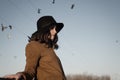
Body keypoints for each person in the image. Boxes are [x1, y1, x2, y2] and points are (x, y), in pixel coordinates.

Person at [4, 16, 66, 80]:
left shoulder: (49, 49)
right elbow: (30, 71)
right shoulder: (34, 45)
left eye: (55, 29)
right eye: (52, 28)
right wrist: (21, 75)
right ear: (44, 31)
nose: (55, 31)